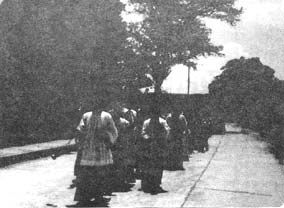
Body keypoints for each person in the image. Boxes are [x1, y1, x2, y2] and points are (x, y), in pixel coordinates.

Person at [72, 98, 118, 207]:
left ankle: (99, 197)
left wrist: (107, 138)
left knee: (100, 173)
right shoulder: (86, 115)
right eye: (93, 103)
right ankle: (85, 197)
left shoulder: (106, 116)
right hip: (88, 149)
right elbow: (81, 128)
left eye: (97, 103)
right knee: (87, 173)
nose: (95, 106)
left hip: (101, 148)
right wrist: (79, 134)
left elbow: (114, 131)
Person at [140, 104, 170, 194]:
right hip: (149, 147)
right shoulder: (147, 122)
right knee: (148, 166)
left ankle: (156, 183)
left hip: (159, 147)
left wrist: (160, 137)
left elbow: (167, 131)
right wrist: (147, 138)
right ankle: (148, 183)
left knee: (158, 166)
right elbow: (143, 132)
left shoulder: (162, 122)